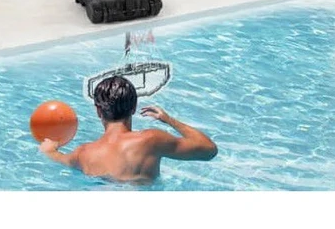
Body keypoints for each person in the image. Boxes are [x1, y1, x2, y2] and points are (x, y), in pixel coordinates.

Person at [38, 75, 218, 183]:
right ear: (134, 108)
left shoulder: (83, 154)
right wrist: (169, 120)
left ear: (98, 111)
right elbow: (209, 150)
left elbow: (59, 158)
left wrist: (50, 150)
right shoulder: (151, 140)